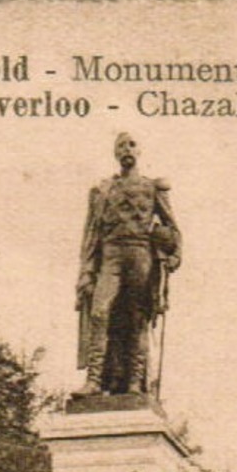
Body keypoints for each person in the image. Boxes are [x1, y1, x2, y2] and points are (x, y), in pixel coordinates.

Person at [76, 133, 181, 396]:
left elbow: (173, 228)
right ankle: (94, 381)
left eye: (132, 145)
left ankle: (135, 381)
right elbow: (91, 234)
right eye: (121, 145)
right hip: (111, 253)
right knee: (100, 313)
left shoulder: (152, 188)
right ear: (115, 153)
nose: (127, 149)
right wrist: (87, 271)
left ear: (140, 151)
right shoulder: (103, 190)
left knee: (137, 318)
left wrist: (173, 254)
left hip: (140, 253)